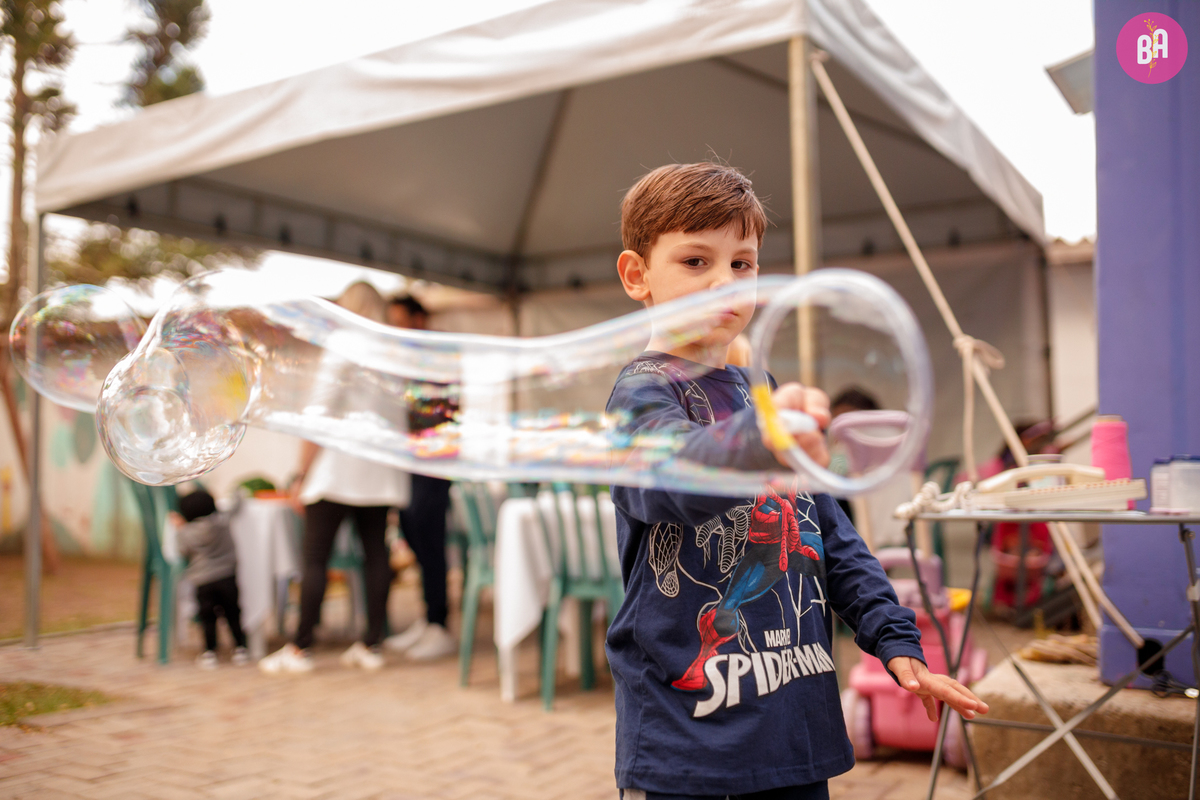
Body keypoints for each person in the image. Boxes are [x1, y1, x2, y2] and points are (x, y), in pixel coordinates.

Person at [605, 163, 987, 799]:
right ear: (636, 275)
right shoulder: (641, 393)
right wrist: (763, 439)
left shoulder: (764, 397)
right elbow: (664, 477)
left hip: (792, 728)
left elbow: (831, 535)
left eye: (742, 263)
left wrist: (896, 641)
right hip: (688, 739)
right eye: (696, 261)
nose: (723, 283)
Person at [259, 282, 411, 675]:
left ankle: (301, 647)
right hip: (380, 473)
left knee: (316, 559)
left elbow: (318, 418)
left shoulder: (343, 343)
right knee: (376, 556)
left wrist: (300, 475)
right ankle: (371, 645)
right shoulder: (393, 353)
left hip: (338, 472)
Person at [382, 295, 458, 660]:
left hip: (434, 462)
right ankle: (428, 619)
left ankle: (439, 624)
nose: (396, 329)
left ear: (419, 319)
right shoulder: (403, 358)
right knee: (412, 533)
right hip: (410, 462)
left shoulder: (437, 355)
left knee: (430, 539)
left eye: (401, 321)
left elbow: (440, 411)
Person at [170, 488, 248, 669]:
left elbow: (182, 552)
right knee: (233, 613)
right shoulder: (221, 522)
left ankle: (210, 652)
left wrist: (179, 528)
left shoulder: (185, 532)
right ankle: (240, 648)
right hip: (227, 576)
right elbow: (236, 507)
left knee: (207, 617)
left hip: (202, 580)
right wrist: (239, 493)